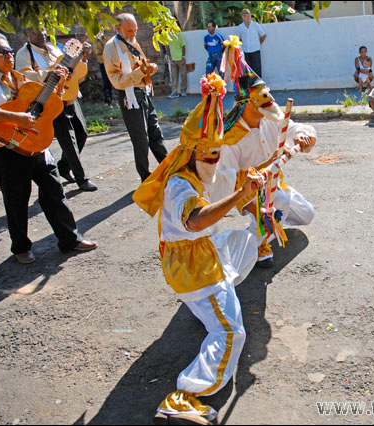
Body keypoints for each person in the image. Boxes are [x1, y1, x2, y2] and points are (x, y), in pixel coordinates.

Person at [132, 73, 265, 424]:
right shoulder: (179, 185)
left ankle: (217, 302)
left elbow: (235, 134)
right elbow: (194, 221)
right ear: (193, 153)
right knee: (231, 332)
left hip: (200, 252)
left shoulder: (194, 170)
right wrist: (241, 195)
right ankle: (184, 395)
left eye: (218, 154)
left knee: (245, 240)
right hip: (193, 269)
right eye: (211, 155)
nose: (217, 161)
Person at [0, 31, 98, 264]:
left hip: (38, 143)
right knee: (17, 199)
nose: (9, 55)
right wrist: (16, 118)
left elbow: (46, 102)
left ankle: (70, 238)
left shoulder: (18, 77)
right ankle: (20, 247)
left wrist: (55, 83)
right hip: (10, 147)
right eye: (3, 51)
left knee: (55, 191)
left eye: (10, 50)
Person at [218, 36, 316, 268]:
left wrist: (303, 135)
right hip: (248, 191)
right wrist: (254, 208)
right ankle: (253, 244)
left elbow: (292, 128)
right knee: (278, 202)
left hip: (275, 184)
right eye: (262, 97)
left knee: (307, 214)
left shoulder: (270, 118)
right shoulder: (230, 139)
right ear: (246, 103)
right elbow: (227, 181)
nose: (271, 101)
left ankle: (274, 220)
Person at [16, 27, 98, 191]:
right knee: (68, 141)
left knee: (82, 134)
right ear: (26, 33)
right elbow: (23, 77)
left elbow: (74, 73)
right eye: (35, 31)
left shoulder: (55, 48)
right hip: (50, 101)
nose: (41, 33)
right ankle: (82, 179)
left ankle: (63, 167)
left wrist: (82, 58)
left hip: (69, 96)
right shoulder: (24, 54)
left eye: (43, 29)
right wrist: (48, 73)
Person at [103, 13, 168, 182]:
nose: (133, 34)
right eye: (130, 31)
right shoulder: (111, 48)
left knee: (155, 133)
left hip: (143, 93)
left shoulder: (132, 42)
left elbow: (141, 64)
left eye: (135, 31)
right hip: (129, 97)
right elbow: (116, 81)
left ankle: (169, 167)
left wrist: (149, 68)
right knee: (141, 140)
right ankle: (145, 177)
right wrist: (140, 72)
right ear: (118, 29)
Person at [237, 8, 266, 77]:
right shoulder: (240, 27)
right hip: (245, 51)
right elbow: (238, 38)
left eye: (249, 15)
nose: (248, 17)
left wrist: (258, 44)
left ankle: (259, 86)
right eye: (245, 16)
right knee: (247, 70)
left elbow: (263, 35)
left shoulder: (255, 25)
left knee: (257, 69)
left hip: (255, 50)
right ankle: (250, 86)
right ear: (242, 17)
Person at [167, 18, 187, 98]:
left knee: (183, 75)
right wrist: (170, 58)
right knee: (174, 76)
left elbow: (183, 46)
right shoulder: (168, 35)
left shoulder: (179, 35)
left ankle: (183, 90)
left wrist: (183, 57)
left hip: (180, 59)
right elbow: (167, 47)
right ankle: (174, 92)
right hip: (173, 60)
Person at [92, 31, 113, 106]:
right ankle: (108, 101)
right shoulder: (95, 42)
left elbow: (109, 49)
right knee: (106, 81)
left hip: (111, 63)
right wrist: (104, 50)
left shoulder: (108, 39)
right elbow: (97, 52)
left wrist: (102, 41)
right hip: (102, 63)